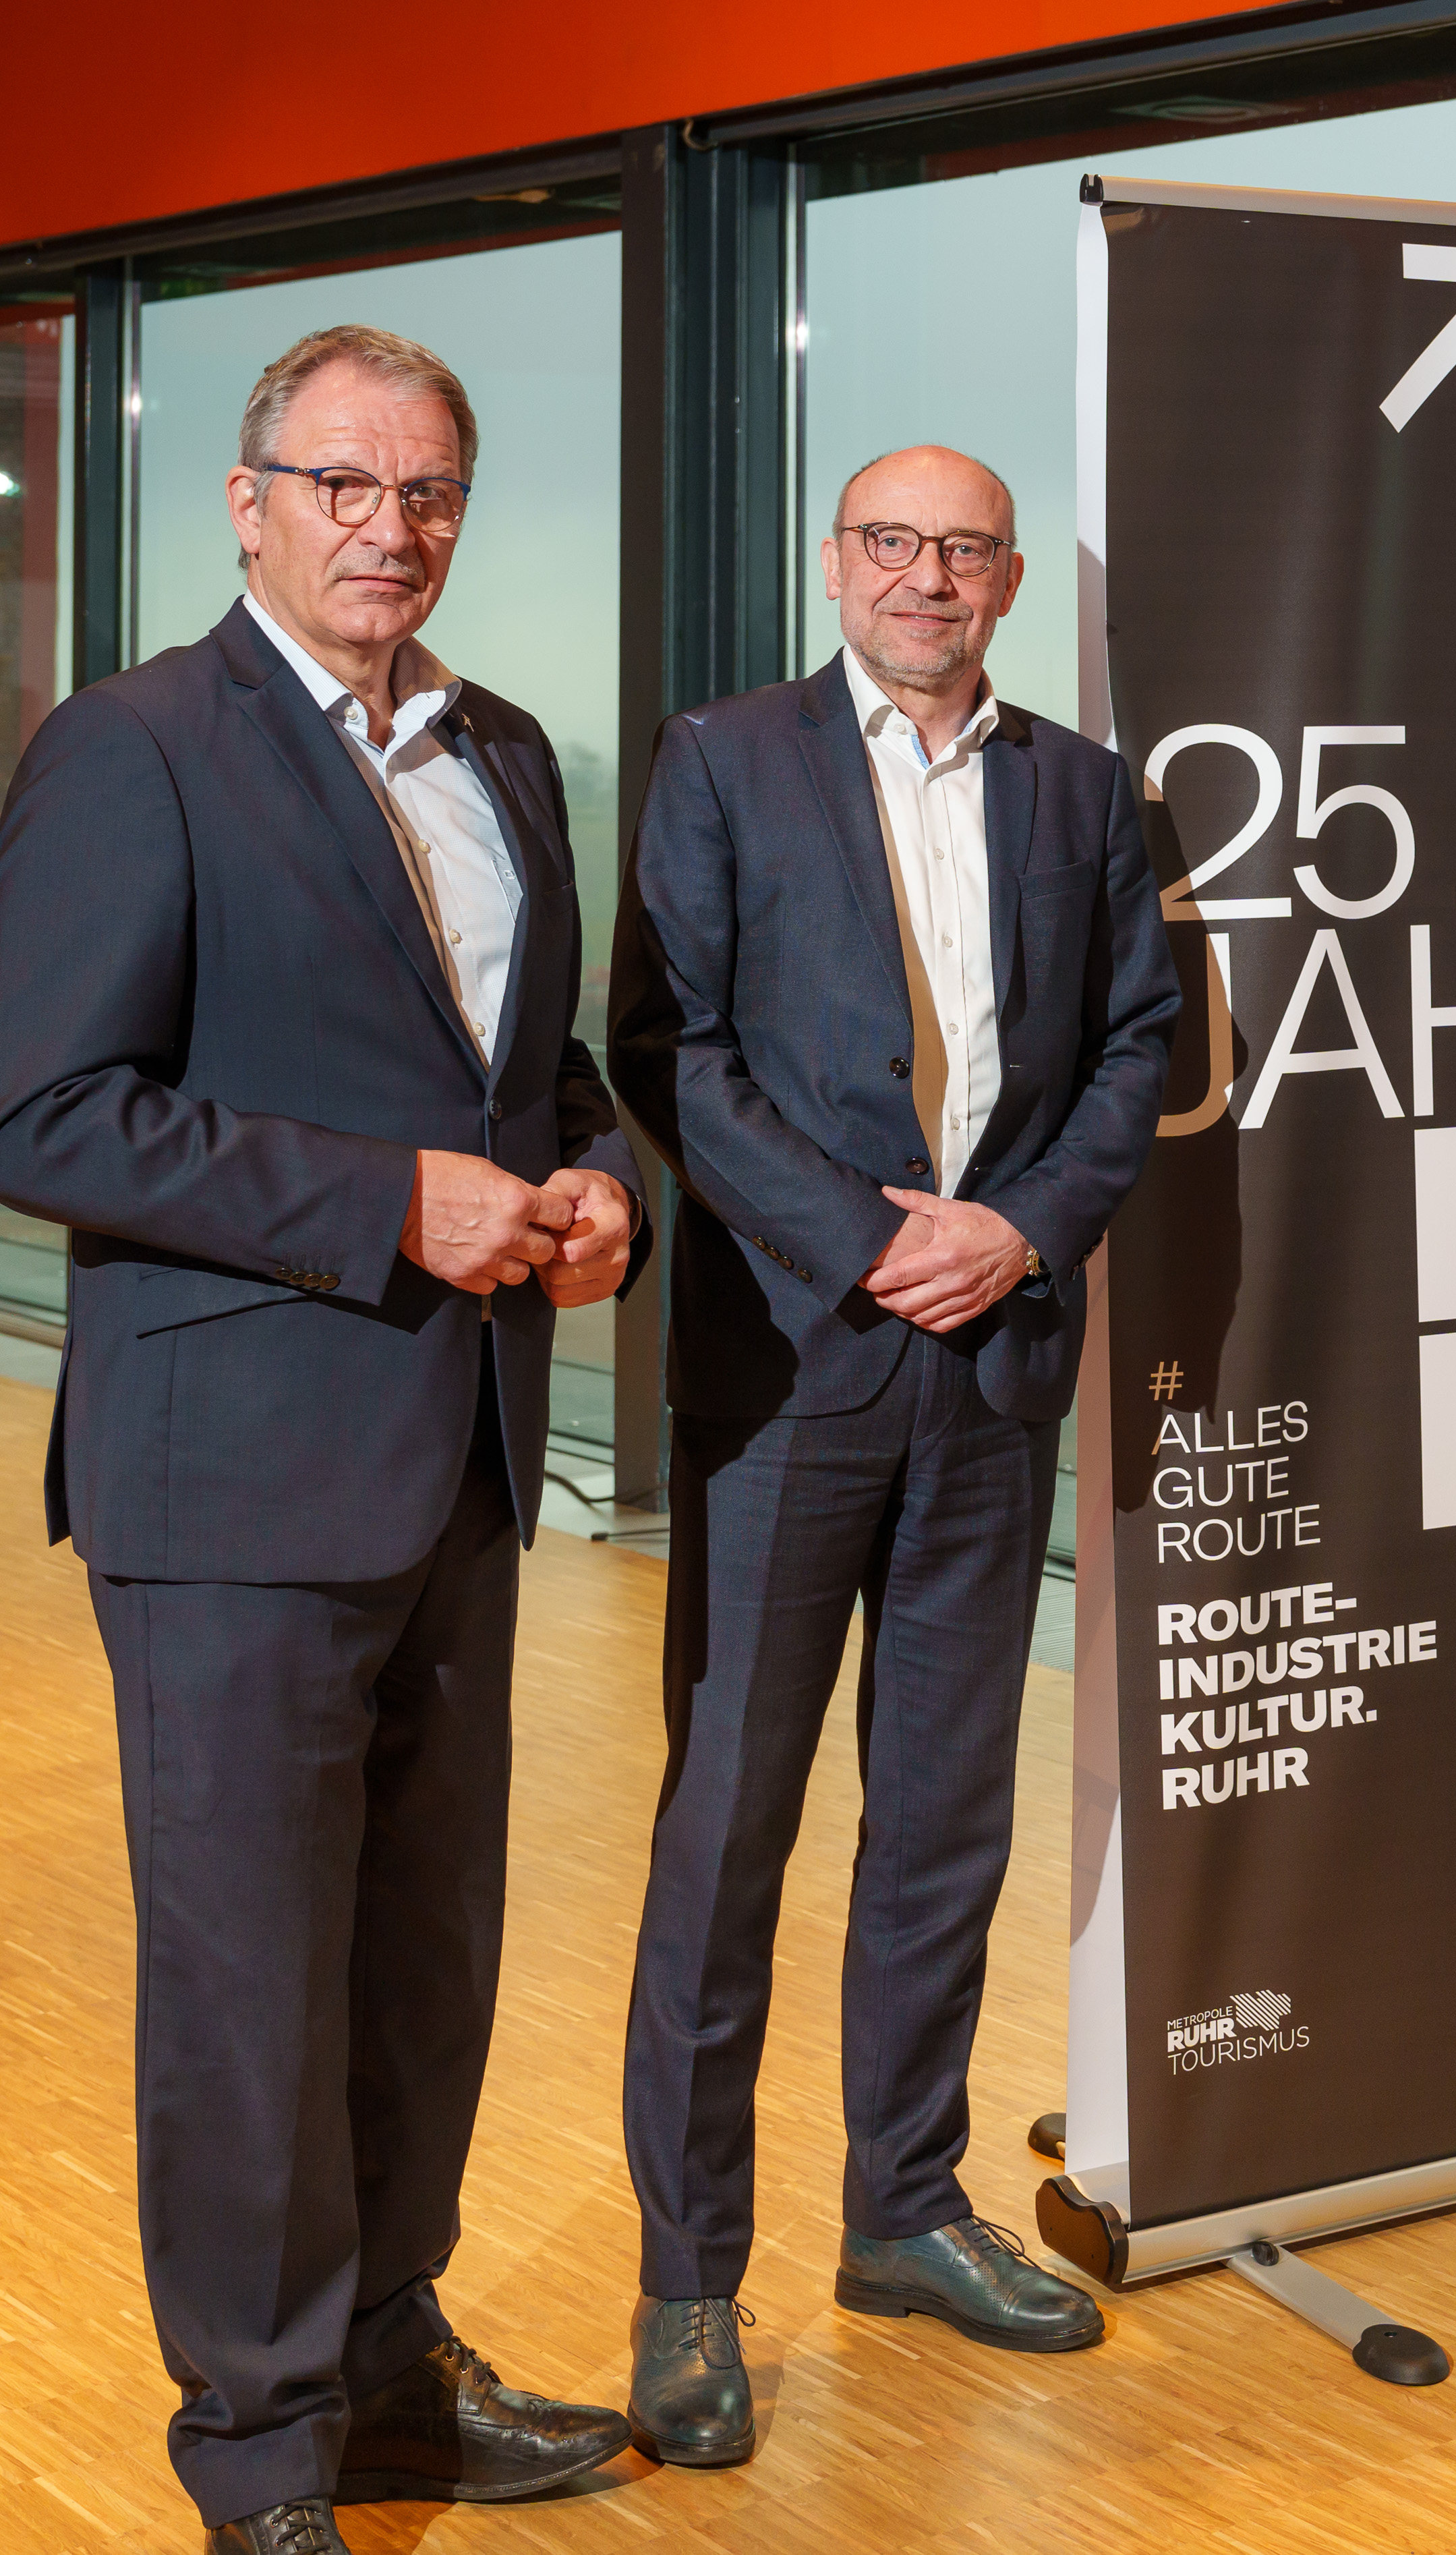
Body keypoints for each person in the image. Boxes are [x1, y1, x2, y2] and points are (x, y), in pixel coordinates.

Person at [0, 325, 639, 2553]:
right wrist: (385, 1203)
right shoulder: (136, 749)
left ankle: (387, 2368)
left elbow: (527, 1063)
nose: (393, 525)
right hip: (231, 1480)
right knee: (251, 1982)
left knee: (419, 1958)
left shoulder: (512, 753)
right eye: (346, 484)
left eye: (431, 487)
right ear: (250, 500)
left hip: (454, 1461)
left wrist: (593, 1175)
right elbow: (41, 1104)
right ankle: (260, 2447)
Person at [608, 444, 1180, 2465]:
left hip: (997, 1362)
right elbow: (669, 1047)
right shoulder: (722, 756)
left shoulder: (1083, 791)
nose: (925, 575)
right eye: (890, 541)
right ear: (836, 561)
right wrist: (875, 1237)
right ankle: (690, 2276)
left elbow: (1140, 1049)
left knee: (944, 1824)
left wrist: (1015, 1229)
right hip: (792, 1369)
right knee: (728, 1834)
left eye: (963, 547)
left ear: (1010, 579)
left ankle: (906, 2208)